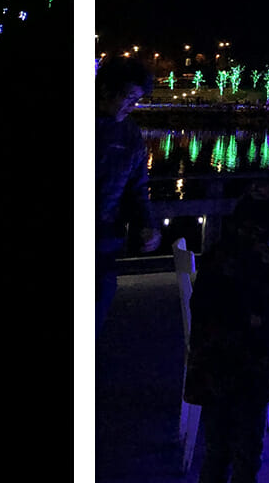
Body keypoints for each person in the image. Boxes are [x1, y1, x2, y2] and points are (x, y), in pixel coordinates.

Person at [184, 185, 269, 483]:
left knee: (216, 451)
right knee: (247, 456)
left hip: (208, 372)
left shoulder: (213, 258)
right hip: (250, 377)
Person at [96, 56, 159, 334]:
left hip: (104, 245)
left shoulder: (130, 134)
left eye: (137, 99)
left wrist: (147, 225)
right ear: (105, 89)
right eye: (129, 97)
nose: (133, 106)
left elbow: (137, 186)